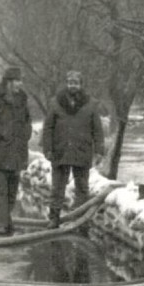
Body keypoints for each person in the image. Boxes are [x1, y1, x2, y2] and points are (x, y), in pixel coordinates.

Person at [41, 70, 105, 228]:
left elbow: (97, 130)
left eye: (76, 83)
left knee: (82, 187)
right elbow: (48, 127)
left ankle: (81, 219)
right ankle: (54, 218)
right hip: (60, 151)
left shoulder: (91, 104)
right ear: (66, 83)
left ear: (81, 85)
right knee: (58, 187)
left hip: (82, 151)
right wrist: (47, 148)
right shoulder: (55, 102)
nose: (73, 86)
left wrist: (99, 151)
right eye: (70, 82)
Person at [0, 66, 32, 236]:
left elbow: (27, 119)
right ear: (8, 82)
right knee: (1, 190)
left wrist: (26, 133)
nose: (19, 84)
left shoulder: (22, 97)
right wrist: (2, 132)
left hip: (17, 149)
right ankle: (1, 224)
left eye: (20, 80)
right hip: (0, 150)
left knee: (12, 190)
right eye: (16, 81)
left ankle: (6, 219)